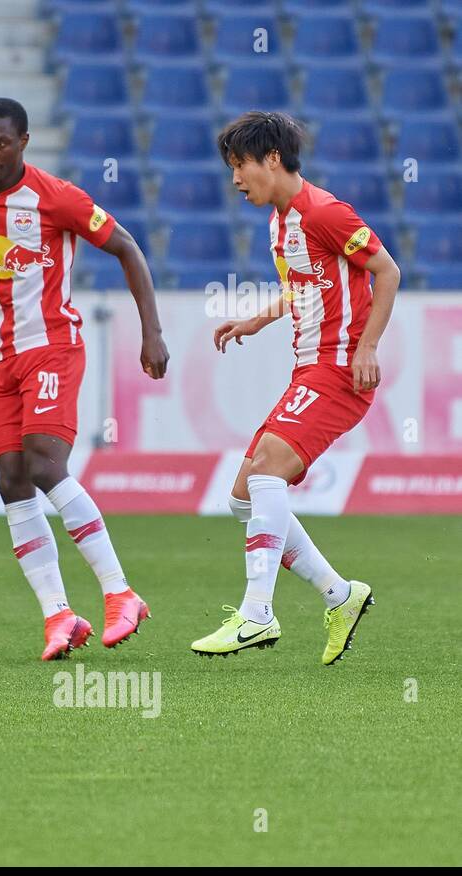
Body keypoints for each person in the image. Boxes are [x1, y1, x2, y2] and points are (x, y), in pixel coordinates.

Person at [0, 97, 169, 661]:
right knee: (11, 479)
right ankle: (59, 615)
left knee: (44, 464)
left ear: (23, 141)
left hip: (51, 349)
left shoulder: (57, 198)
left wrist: (152, 333)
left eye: (0, 143)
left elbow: (127, 248)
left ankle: (120, 592)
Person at [192, 111, 397, 664]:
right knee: (242, 497)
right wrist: (257, 320)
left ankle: (257, 613)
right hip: (308, 370)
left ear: (273, 159)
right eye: (231, 168)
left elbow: (387, 271)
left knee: (265, 474)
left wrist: (368, 347)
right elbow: (303, 288)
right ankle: (340, 595)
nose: (236, 179)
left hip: (340, 372)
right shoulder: (279, 223)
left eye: (241, 165)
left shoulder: (326, 212)